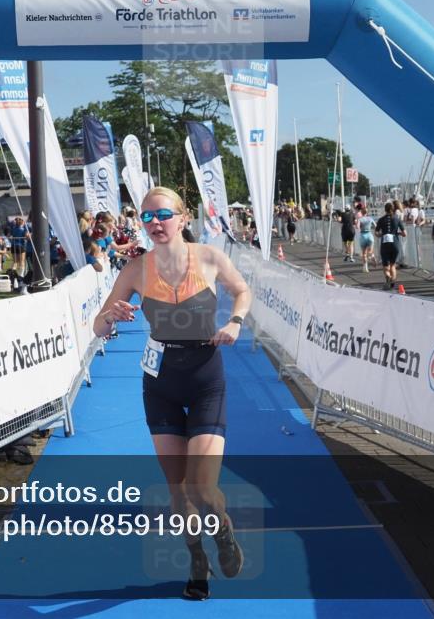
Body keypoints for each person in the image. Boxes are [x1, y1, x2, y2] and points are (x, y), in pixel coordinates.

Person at [92, 187, 251, 600]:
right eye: (147, 217)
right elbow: (98, 326)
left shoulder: (210, 258)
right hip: (160, 383)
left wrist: (234, 321)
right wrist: (111, 315)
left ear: (182, 218)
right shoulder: (135, 270)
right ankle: (197, 558)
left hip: (205, 377)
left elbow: (242, 290)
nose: (155, 223)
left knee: (202, 487)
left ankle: (224, 532)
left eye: (163, 214)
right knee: (178, 488)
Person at [375, 202, 406, 289]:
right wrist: (398, 233)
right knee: (393, 265)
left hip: (385, 243)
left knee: (386, 265)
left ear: (385, 209)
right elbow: (405, 233)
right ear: (393, 209)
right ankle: (393, 282)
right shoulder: (397, 219)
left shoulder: (381, 220)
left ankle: (388, 276)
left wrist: (381, 235)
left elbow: (376, 233)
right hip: (395, 243)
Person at [358, 206, 377, 273]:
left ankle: (365, 267)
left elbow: (357, 227)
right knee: (370, 250)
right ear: (367, 212)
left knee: (364, 253)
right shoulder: (370, 218)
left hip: (363, 235)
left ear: (361, 212)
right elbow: (375, 226)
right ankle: (372, 256)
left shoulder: (360, 219)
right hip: (369, 235)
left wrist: (360, 227)